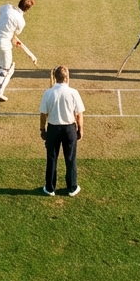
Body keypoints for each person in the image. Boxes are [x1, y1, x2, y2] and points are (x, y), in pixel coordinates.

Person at [39, 65, 84, 197]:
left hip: (53, 129)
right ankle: (72, 187)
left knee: (51, 158)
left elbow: (43, 114)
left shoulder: (48, 93)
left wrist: (42, 129)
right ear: (67, 77)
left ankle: (50, 188)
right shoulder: (73, 92)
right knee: (70, 159)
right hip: (69, 129)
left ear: (55, 77)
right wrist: (80, 129)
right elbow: (79, 114)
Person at [0, 0, 35, 101]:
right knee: (8, 69)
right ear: (27, 9)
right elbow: (14, 37)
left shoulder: (7, 7)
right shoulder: (21, 21)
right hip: (2, 44)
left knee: (2, 63)